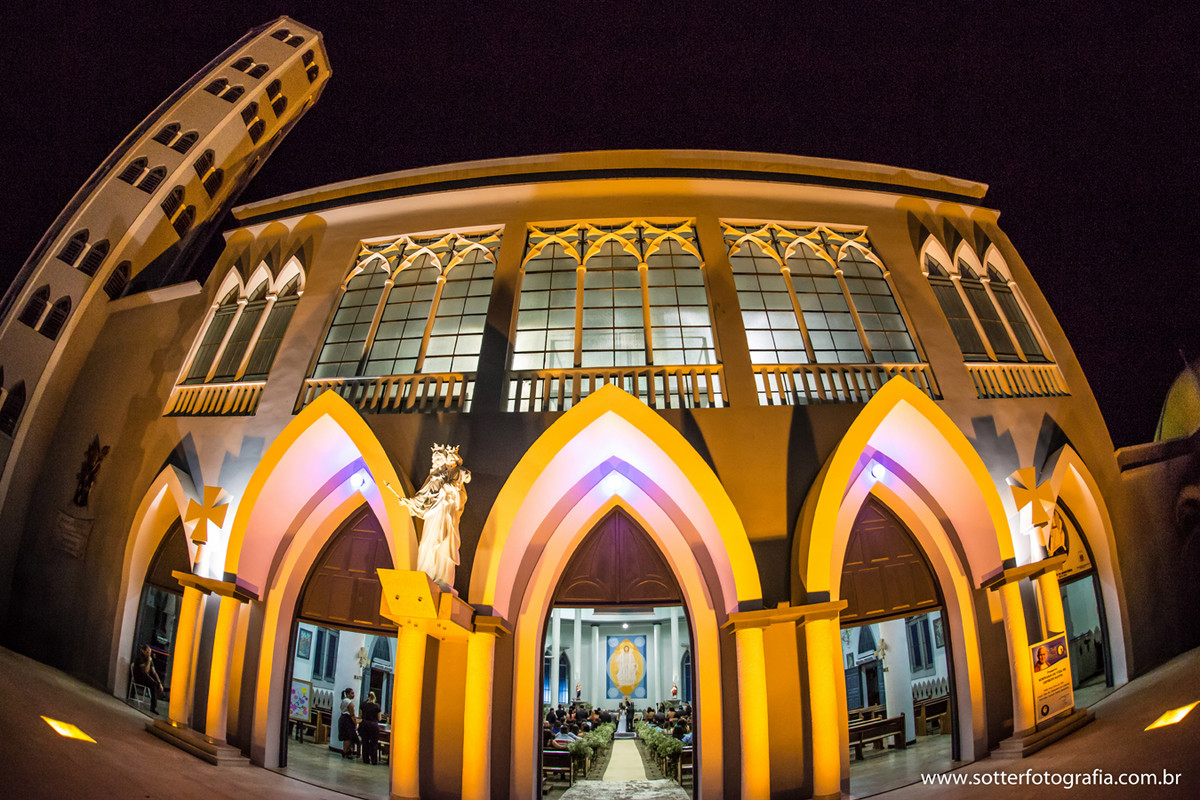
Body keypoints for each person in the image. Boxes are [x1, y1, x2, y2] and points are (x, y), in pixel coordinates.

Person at [132, 643, 164, 714]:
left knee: (155, 683)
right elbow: (145, 671)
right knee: (153, 685)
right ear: (143, 651)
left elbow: (154, 672)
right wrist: (149, 661)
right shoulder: (140, 658)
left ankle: (160, 690)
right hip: (139, 677)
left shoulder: (149, 658)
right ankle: (153, 707)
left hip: (146, 678)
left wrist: (159, 682)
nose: (149, 653)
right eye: (147, 652)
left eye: (150, 652)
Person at [359, 691, 382, 764]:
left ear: (367, 696)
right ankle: (374, 760)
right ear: (374, 697)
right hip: (373, 725)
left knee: (365, 742)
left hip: (364, 724)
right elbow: (379, 718)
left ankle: (365, 760)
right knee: (374, 743)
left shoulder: (363, 704)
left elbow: (360, 716)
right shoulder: (377, 706)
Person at [338, 688, 360, 759]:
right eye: (352, 693)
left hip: (343, 719)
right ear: (347, 694)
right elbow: (352, 715)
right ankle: (345, 752)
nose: (353, 695)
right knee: (348, 737)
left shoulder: (344, 700)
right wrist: (355, 723)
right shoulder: (349, 703)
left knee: (346, 737)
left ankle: (347, 751)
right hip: (347, 720)